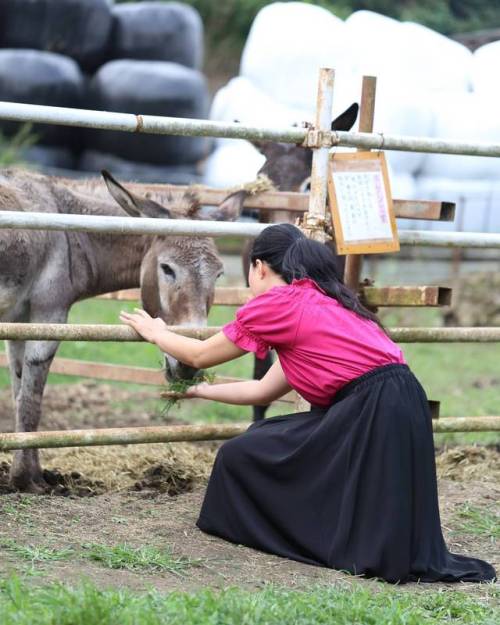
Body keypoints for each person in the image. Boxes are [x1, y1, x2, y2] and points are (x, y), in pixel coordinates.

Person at [120, 223, 496, 584]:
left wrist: (157, 331)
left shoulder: (278, 304)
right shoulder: (321, 302)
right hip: (402, 401)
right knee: (262, 438)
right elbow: (262, 391)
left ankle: (305, 535)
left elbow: (200, 354)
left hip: (372, 406)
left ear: (258, 267)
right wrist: (200, 392)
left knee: (240, 456)